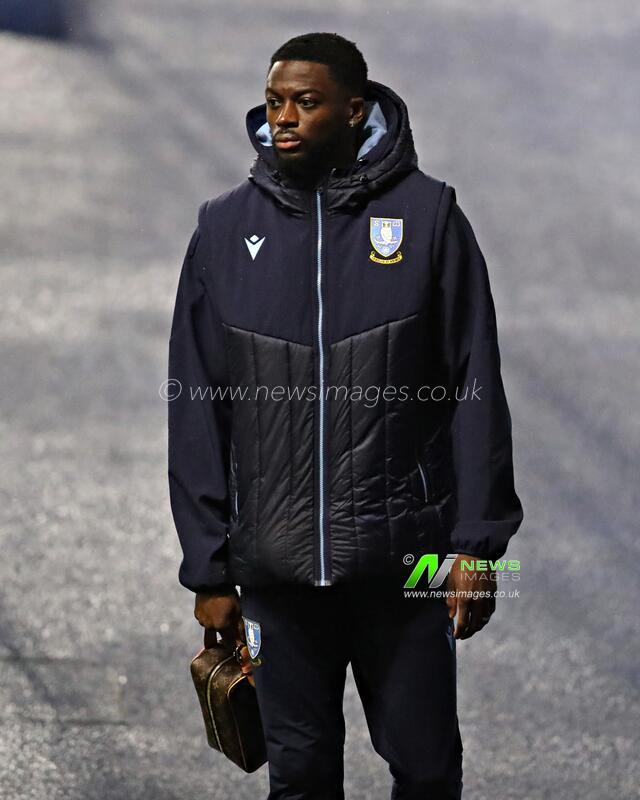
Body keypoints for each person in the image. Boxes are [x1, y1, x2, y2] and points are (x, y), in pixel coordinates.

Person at [168, 31, 524, 800]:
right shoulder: (224, 230)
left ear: (355, 109)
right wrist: (208, 567)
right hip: (276, 570)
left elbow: (475, 386)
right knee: (299, 777)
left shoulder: (430, 220)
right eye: (274, 102)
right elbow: (197, 408)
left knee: (427, 772)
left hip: (405, 565)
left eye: (305, 101)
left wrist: (478, 547)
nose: (285, 117)